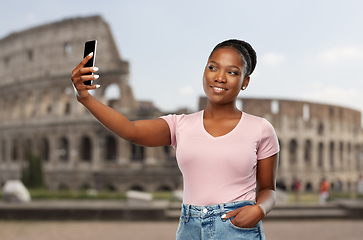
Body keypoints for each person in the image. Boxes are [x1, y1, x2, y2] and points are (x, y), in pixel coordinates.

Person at [71, 39, 279, 240]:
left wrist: (260, 209)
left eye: (232, 72)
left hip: (237, 228)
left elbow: (268, 189)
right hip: (190, 227)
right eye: (213, 68)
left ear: (245, 82)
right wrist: (85, 98)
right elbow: (130, 129)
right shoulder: (180, 125)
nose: (220, 77)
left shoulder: (260, 129)